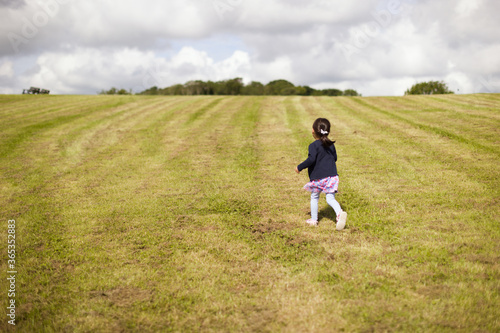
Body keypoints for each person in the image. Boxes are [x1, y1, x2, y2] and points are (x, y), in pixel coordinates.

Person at [295, 118, 347, 230]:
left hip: (319, 178)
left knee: (314, 197)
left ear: (313, 130)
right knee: (330, 199)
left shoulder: (313, 146)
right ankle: (339, 213)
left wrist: (300, 167)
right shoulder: (331, 145)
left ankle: (314, 220)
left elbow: (311, 160)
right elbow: (335, 158)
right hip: (332, 177)